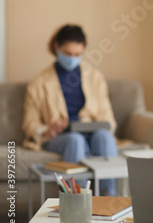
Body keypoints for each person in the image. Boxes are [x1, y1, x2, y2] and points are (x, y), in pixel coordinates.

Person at [22, 24, 118, 196]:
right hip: (60, 136)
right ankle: (75, 201)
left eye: (77, 55)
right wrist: (48, 129)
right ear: (56, 47)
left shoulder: (95, 77)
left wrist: (98, 126)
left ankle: (109, 198)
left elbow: (108, 119)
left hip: (91, 132)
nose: (72, 58)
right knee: (75, 139)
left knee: (104, 136)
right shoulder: (38, 82)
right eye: (68, 54)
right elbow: (30, 123)